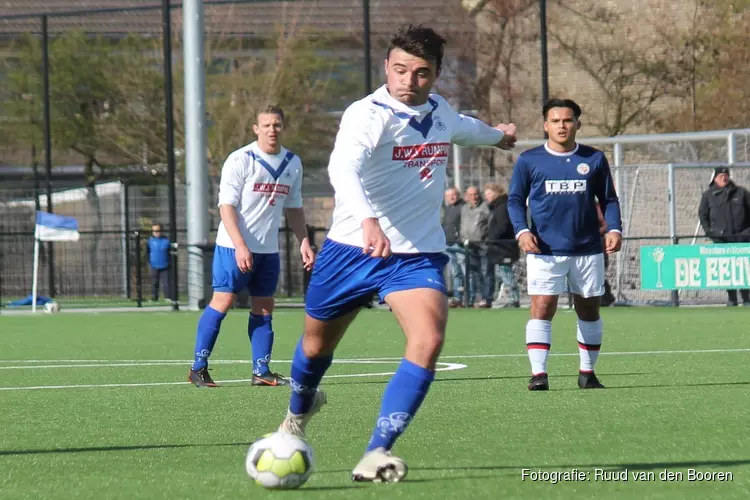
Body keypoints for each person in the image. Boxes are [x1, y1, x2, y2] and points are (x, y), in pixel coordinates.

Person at [274, 24, 517, 483]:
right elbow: (341, 167)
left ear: (436, 75)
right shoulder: (367, 114)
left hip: (415, 255)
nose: (408, 80)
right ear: (387, 66)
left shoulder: (440, 111)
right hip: (351, 250)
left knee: (428, 342)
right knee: (314, 347)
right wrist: (367, 219)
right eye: (400, 69)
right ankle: (296, 414)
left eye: (420, 73)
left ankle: (376, 451)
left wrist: (497, 136)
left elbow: (467, 128)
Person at [187, 105, 315, 388]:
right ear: (256, 129)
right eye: (266, 125)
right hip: (233, 248)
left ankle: (261, 370)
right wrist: (240, 245)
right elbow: (226, 207)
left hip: (268, 251)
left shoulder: (292, 162)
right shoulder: (241, 159)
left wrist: (304, 241)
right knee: (223, 301)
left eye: (277, 125)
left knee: (265, 308)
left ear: (283, 127)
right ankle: (198, 368)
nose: (272, 130)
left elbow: (294, 207)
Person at [507, 98, 622, 391]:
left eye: (568, 120)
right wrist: (522, 231)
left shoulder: (594, 159)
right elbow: (515, 201)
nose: (562, 125)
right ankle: (539, 374)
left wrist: (615, 229)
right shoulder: (530, 160)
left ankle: (587, 373)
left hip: (587, 249)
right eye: (555, 121)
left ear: (578, 124)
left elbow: (608, 199)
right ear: (546, 125)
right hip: (545, 250)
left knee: (589, 310)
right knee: (542, 307)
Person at [698, 166, 750, 306]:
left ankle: (746, 298)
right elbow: (703, 216)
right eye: (721, 175)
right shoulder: (708, 195)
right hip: (721, 241)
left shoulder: (741, 193)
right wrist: (711, 232)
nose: (724, 177)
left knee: (744, 269)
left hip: (742, 239)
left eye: (726, 175)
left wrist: (747, 232)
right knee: (727, 269)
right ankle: (731, 298)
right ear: (715, 178)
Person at [484, 183, 520, 307]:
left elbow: (503, 226)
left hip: (504, 247)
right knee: (503, 273)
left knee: (506, 273)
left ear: (496, 193)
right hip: (499, 247)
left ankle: (514, 299)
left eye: (488, 194)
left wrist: (492, 238)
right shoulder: (497, 206)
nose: (486, 197)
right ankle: (512, 298)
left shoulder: (502, 207)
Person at [460, 186, 493, 308]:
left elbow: (491, 223)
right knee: (473, 273)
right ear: (466, 196)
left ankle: (487, 298)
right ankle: (475, 298)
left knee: (486, 272)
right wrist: (463, 238)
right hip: (469, 245)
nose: (474, 197)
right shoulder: (464, 208)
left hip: (483, 245)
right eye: (471, 194)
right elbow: (462, 224)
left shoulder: (485, 207)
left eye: (476, 194)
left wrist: (487, 238)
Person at [442, 187, 465, 306]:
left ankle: (468, 296)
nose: (452, 197)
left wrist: (460, 238)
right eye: (449, 195)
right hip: (448, 243)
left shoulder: (462, 207)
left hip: (459, 243)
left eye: (454, 195)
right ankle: (457, 297)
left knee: (465, 270)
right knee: (455, 272)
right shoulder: (446, 209)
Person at [146, 223, 172, 302]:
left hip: (165, 265)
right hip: (153, 265)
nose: (156, 232)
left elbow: (170, 252)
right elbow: (147, 252)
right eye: (154, 231)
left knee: (166, 282)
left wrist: (169, 262)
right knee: (154, 282)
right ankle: (154, 297)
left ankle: (167, 297)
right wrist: (150, 262)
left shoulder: (166, 241)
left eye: (158, 230)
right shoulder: (150, 241)